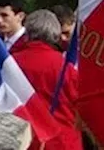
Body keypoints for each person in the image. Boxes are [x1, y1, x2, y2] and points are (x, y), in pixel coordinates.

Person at [10, 9, 79, 150]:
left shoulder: (11, 64)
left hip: (23, 140)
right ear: (55, 35)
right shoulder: (65, 67)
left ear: (27, 33)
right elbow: (78, 104)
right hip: (62, 141)